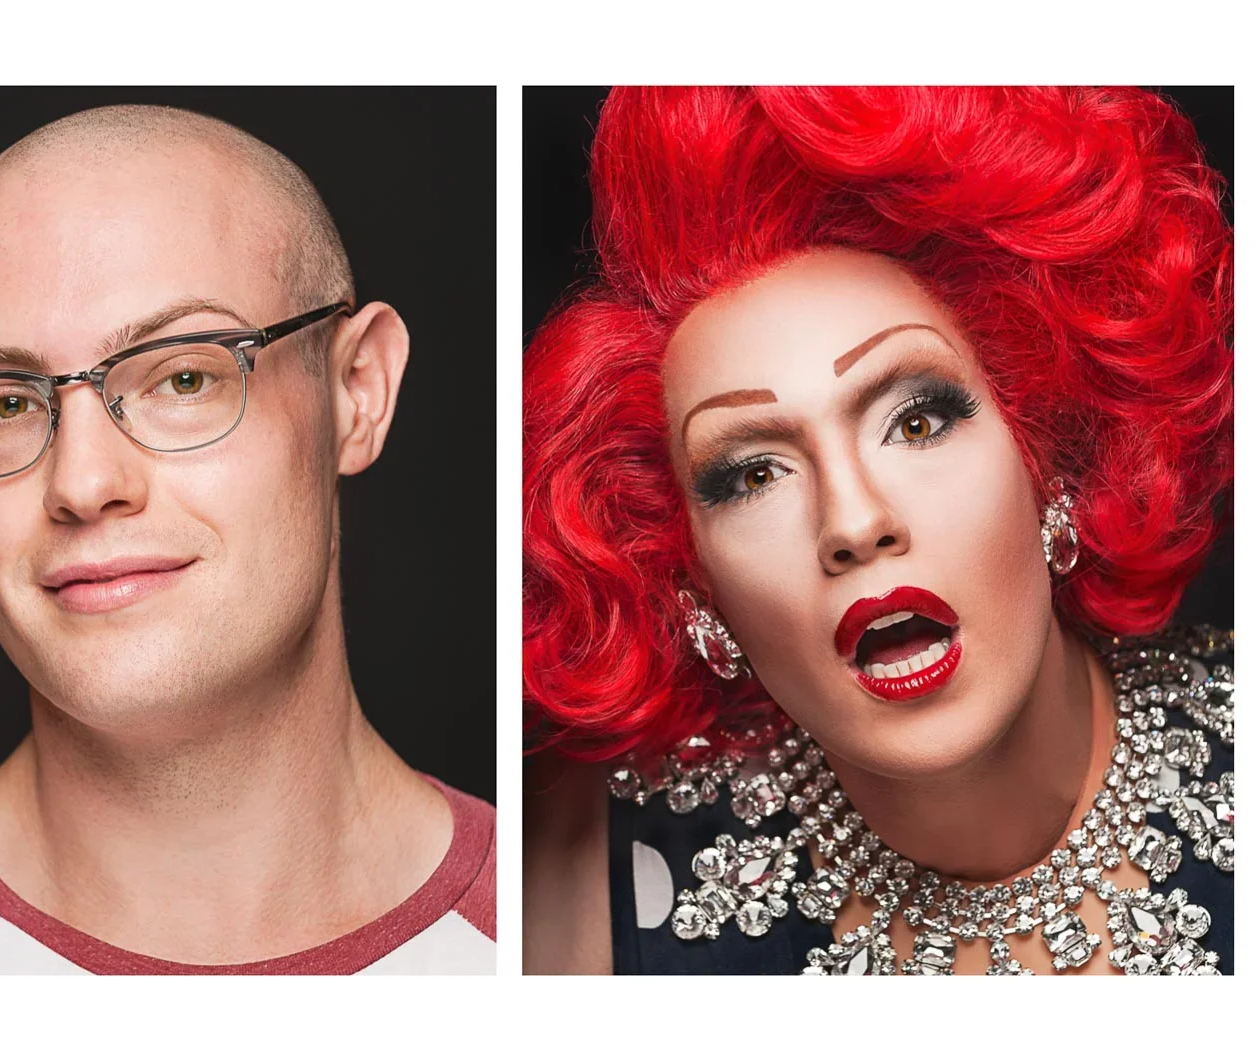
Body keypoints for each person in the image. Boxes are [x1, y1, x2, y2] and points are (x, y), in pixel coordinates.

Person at [523, 87, 1232, 975]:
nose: (854, 523)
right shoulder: (569, 889)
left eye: (918, 421)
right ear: (692, 586)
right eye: (753, 474)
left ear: (1048, 449)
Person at [0, 104, 495, 975]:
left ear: (358, 389)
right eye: (6, 403)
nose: (83, 484)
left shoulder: (544, 946)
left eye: (184, 376)